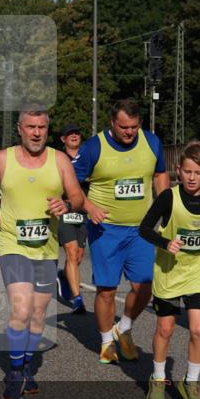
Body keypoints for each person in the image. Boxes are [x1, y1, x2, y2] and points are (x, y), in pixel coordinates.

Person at [0, 104, 85, 399]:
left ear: (48, 130)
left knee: (36, 315)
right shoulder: (1, 159)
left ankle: (28, 364)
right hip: (12, 245)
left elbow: (77, 196)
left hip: (46, 249)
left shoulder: (59, 160)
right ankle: (16, 372)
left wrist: (67, 206)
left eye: (42, 127)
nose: (36, 133)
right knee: (21, 309)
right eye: (30, 127)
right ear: (20, 128)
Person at [73, 100, 169, 364]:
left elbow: (160, 174)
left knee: (146, 286)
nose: (129, 132)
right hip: (106, 230)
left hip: (142, 230)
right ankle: (106, 342)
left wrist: (166, 208)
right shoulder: (94, 147)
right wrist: (89, 206)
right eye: (124, 127)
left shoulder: (151, 142)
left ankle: (123, 327)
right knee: (107, 290)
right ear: (112, 123)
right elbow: (71, 182)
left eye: (134, 127)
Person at [139, 141, 200, 399]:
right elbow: (144, 229)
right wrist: (165, 242)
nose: (191, 177)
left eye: (197, 172)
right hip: (169, 273)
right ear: (179, 170)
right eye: (187, 172)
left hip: (198, 273)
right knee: (165, 329)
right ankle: (157, 377)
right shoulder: (169, 197)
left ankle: (191, 383)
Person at [56, 123, 90, 314]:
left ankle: (65, 277)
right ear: (63, 139)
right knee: (71, 251)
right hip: (65, 209)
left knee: (78, 256)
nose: (74, 136)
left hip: (84, 211)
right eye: (70, 134)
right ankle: (78, 299)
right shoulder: (59, 159)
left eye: (77, 133)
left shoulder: (88, 158)